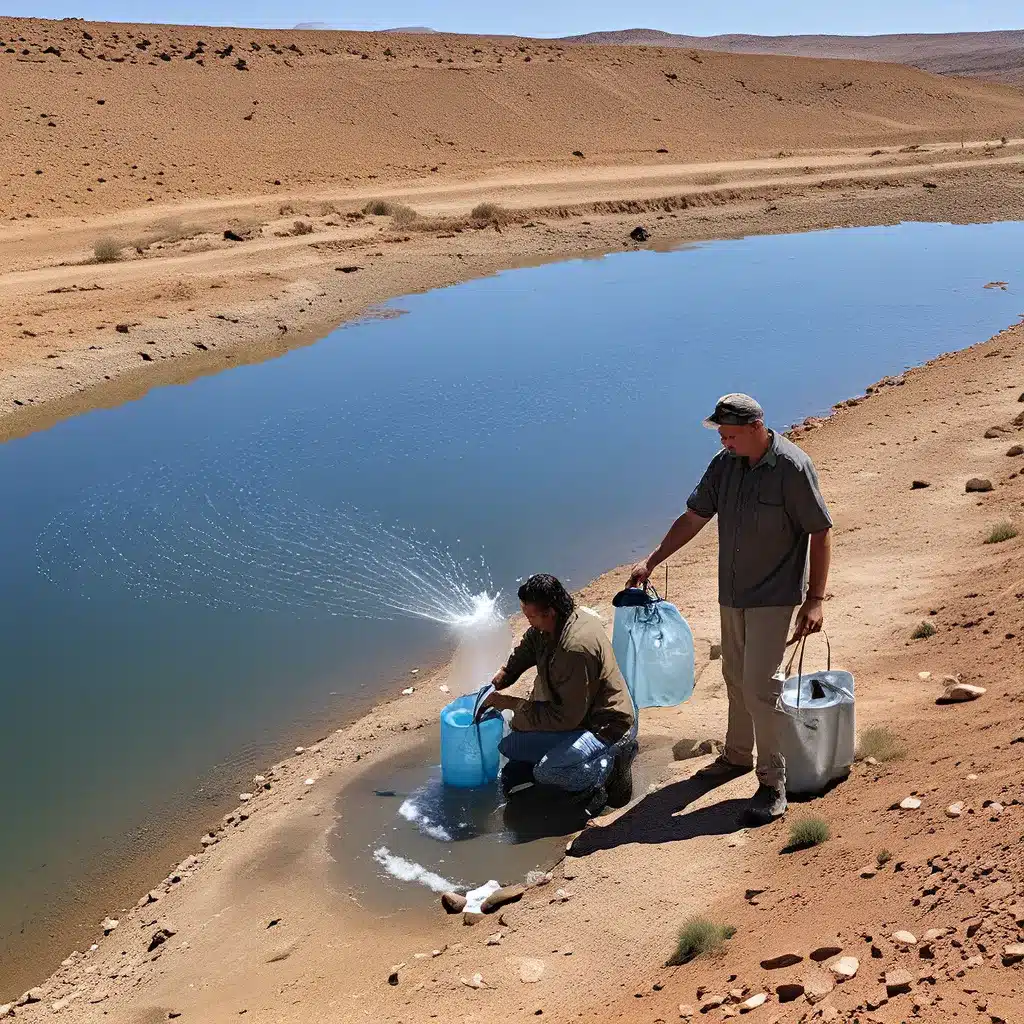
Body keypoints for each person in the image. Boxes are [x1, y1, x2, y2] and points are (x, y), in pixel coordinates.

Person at [628, 393, 832, 825]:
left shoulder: (792, 468)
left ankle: (773, 783)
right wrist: (653, 560)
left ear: (757, 427)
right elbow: (693, 517)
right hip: (732, 595)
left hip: (774, 598)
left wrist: (815, 599)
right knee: (734, 678)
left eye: (731, 435)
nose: (725, 442)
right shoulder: (725, 465)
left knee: (760, 688)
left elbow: (820, 530)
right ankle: (736, 756)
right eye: (721, 435)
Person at [478, 573, 638, 813]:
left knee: (547, 771)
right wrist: (503, 676)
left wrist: (512, 704)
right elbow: (530, 646)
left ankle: (605, 773)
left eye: (530, 616)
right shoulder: (557, 622)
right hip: (582, 714)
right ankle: (577, 764)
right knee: (510, 746)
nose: (528, 621)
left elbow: (565, 718)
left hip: (608, 726)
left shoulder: (573, 649)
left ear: (549, 612)